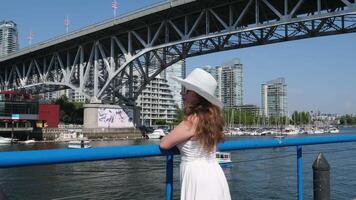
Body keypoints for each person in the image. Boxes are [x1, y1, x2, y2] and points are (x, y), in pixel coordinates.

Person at [160, 68, 231, 200]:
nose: (182, 94)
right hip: (214, 173)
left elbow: (164, 144)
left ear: (197, 95)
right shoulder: (211, 120)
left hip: (198, 177)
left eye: (186, 90)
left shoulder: (192, 121)